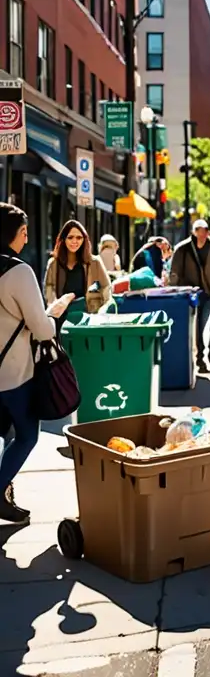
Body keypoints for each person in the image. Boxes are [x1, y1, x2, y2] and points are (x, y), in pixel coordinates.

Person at [0, 203, 75, 523]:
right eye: (23, 232)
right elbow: (42, 329)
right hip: (14, 373)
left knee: (6, 432)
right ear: (10, 235)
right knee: (27, 434)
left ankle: (4, 496)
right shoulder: (19, 271)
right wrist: (54, 313)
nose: (27, 239)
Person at [169, 219, 210, 372]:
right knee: (198, 327)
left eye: (205, 230)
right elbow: (175, 273)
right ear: (194, 232)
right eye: (199, 230)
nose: (202, 234)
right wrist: (177, 292)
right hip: (194, 294)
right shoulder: (183, 249)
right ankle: (200, 357)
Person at [44, 220, 111, 317]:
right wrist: (54, 305)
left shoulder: (94, 262)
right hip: (60, 316)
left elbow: (106, 287)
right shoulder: (54, 263)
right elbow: (49, 287)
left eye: (79, 237)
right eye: (70, 237)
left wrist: (102, 310)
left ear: (84, 239)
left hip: (87, 317)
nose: (74, 241)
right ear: (63, 239)